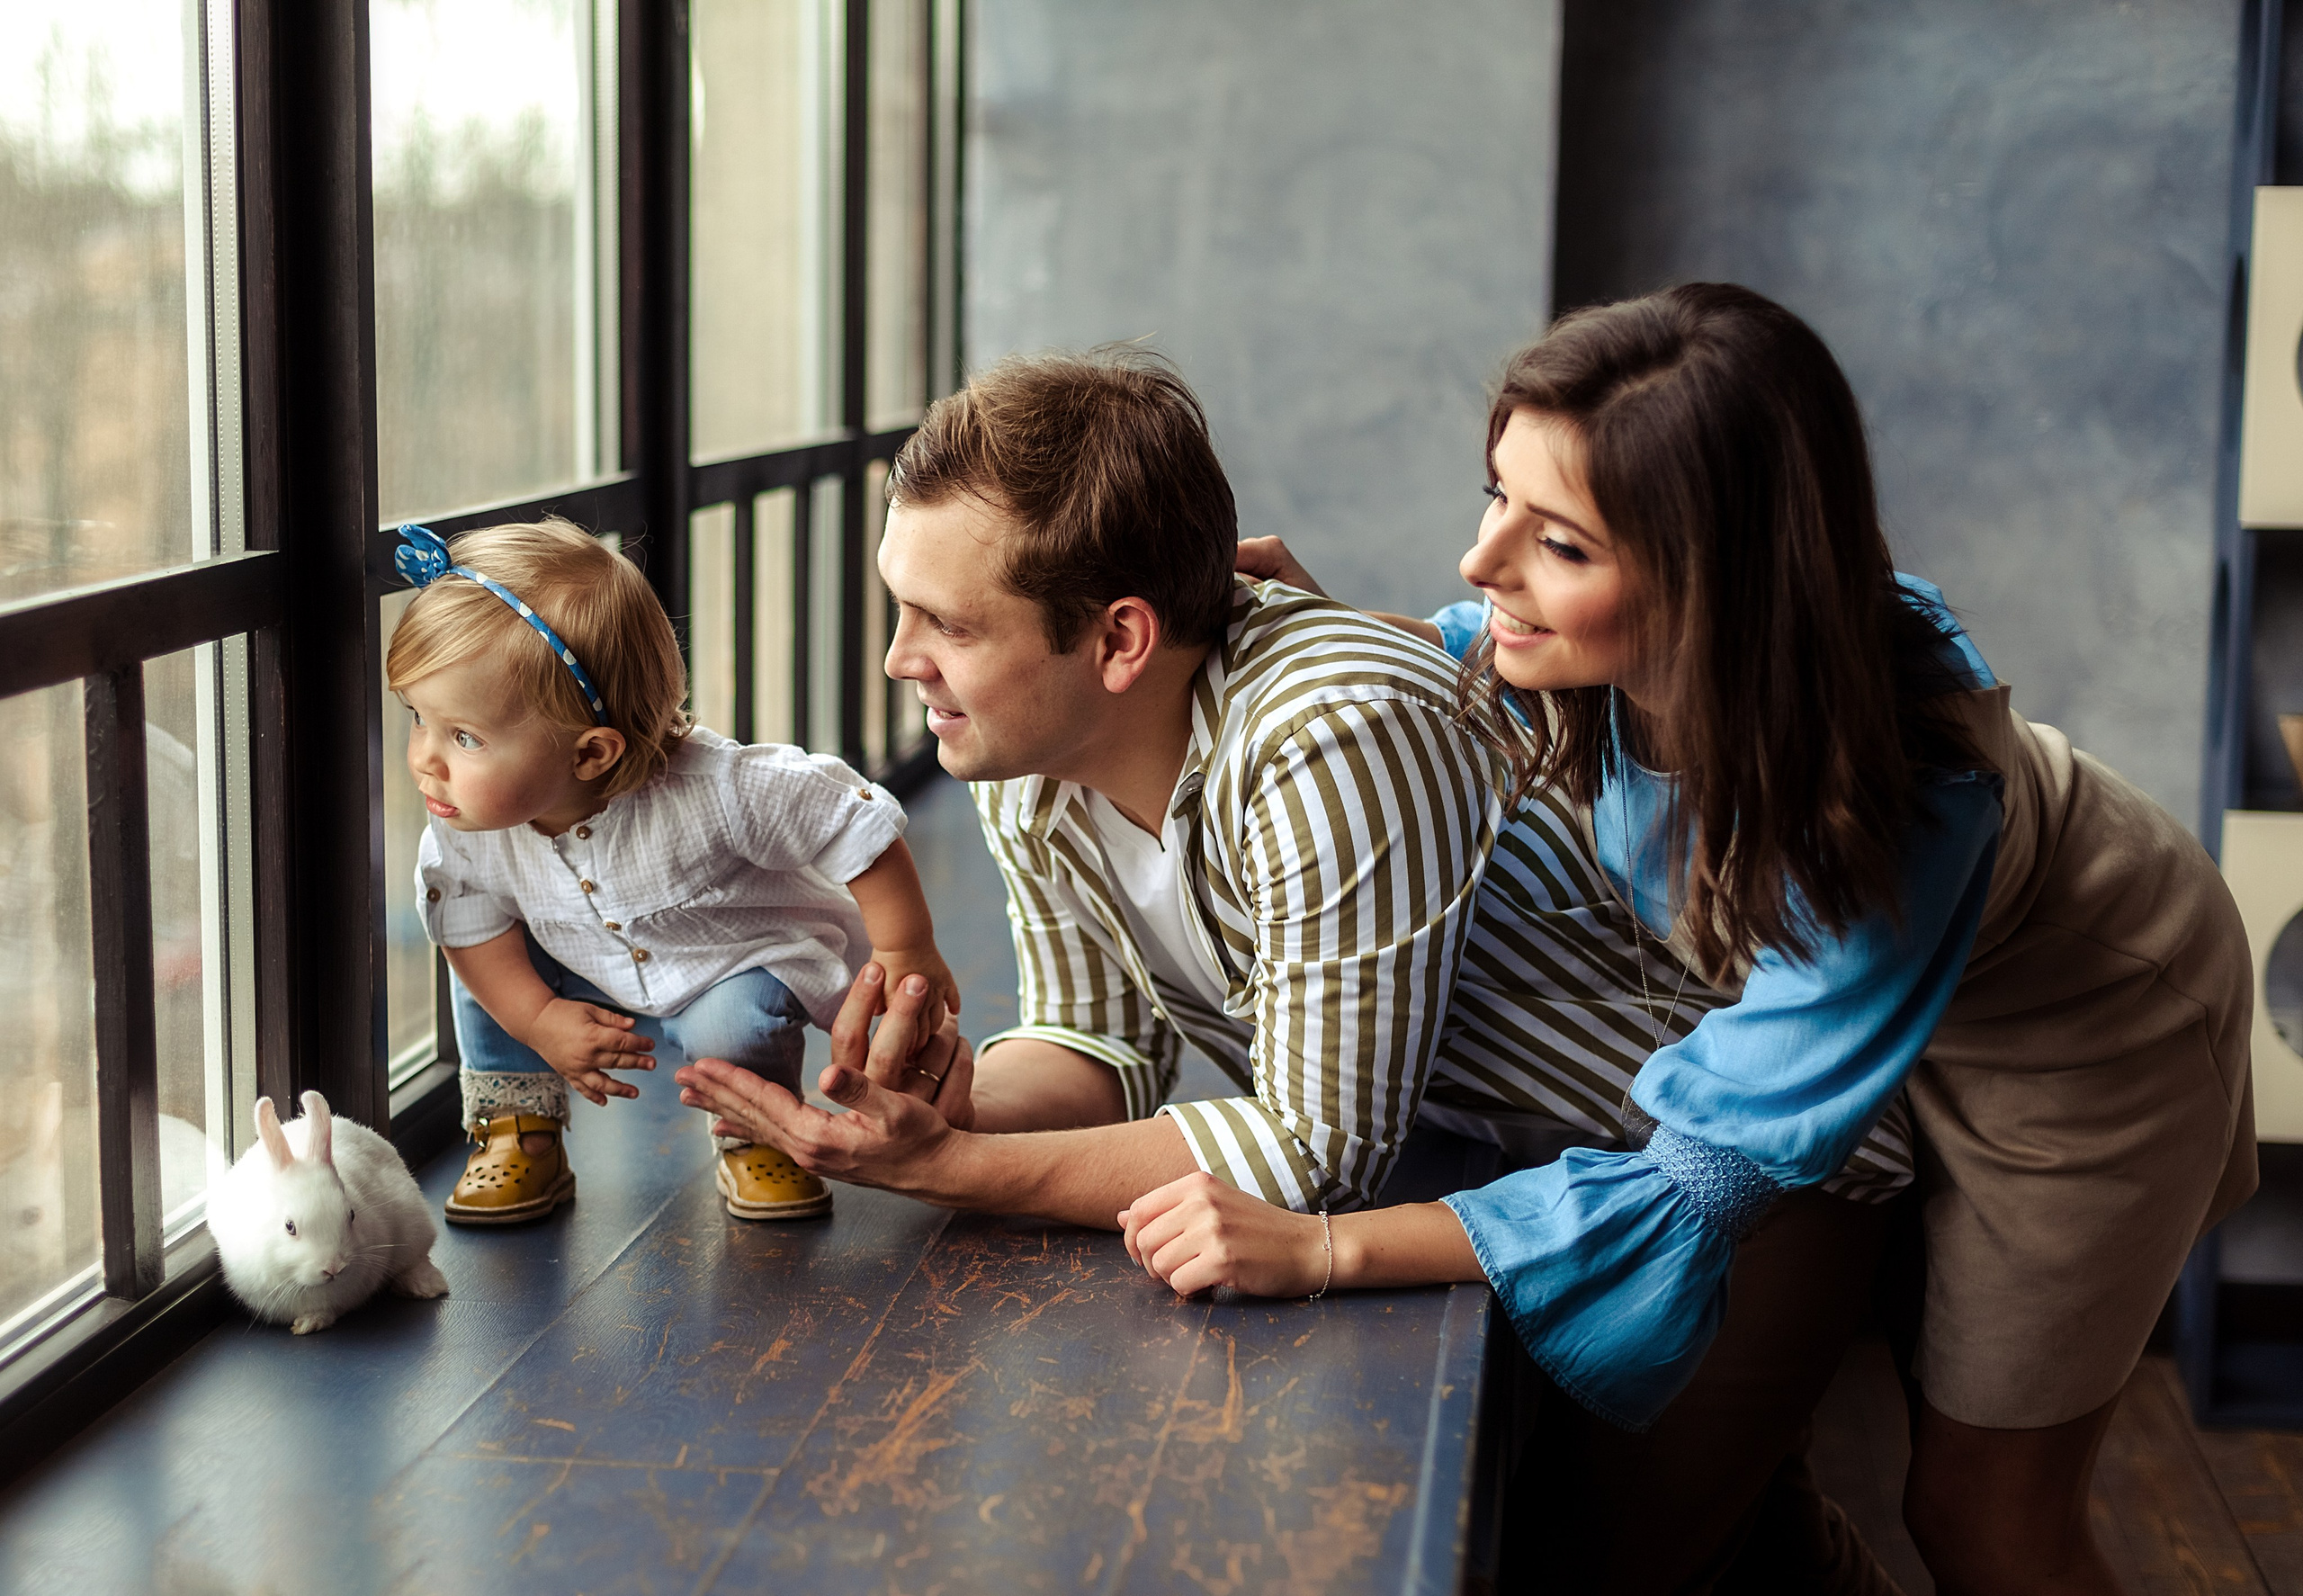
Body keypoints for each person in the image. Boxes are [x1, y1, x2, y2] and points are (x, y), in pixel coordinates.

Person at [1116, 284, 2255, 1596]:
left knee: (1984, 1514)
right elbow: (1452, 657)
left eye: (1562, 545)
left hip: (2079, 1028)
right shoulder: (1625, 649)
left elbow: (1696, 1178)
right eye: (1496, 497)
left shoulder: (1896, 807)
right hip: (1872, 985)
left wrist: (1323, 1247)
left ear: (1712, 580)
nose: (1485, 567)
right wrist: (1325, 648)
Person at [673, 345, 1911, 1299]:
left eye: (946, 622)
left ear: (1119, 640)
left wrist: (952, 1174)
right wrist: (954, 1105)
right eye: (903, 609)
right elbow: (1097, 1043)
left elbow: (1318, 1150)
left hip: (1726, 1179)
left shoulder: (1333, 730)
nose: (901, 662)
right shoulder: (1025, 743)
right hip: (1495, 1172)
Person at [386, 516, 957, 1224]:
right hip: (576, 961)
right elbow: (468, 926)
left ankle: (756, 1126)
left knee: (737, 1026)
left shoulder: (716, 789)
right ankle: (518, 1127)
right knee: (488, 970)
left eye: (463, 737)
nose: (423, 759)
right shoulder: (465, 826)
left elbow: (848, 817)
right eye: (417, 717)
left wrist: (906, 949)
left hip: (720, 963)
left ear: (591, 754)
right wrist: (537, 1020)